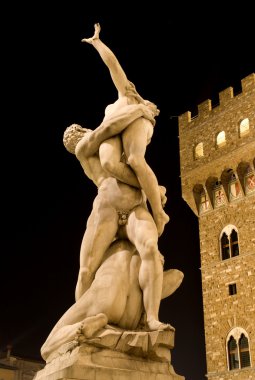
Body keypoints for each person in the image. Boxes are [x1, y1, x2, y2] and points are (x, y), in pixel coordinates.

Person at [63, 121, 170, 332]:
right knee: (86, 271)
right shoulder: (86, 150)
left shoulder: (120, 142)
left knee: (150, 248)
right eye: (75, 139)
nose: (80, 138)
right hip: (106, 209)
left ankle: (151, 318)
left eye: (78, 134)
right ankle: (80, 321)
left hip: (135, 208)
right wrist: (151, 187)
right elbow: (109, 126)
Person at [81, 23, 169, 237]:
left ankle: (158, 213)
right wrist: (97, 42)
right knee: (109, 163)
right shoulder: (124, 96)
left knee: (135, 160)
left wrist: (98, 43)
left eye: (154, 110)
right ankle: (153, 191)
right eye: (153, 107)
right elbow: (114, 66)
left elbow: (114, 67)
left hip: (134, 124)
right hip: (113, 132)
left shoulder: (133, 104)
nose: (155, 109)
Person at [41, 239, 184, 362]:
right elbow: (177, 276)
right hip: (134, 308)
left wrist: (82, 298)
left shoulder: (115, 237)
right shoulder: (149, 244)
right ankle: (145, 320)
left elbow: (85, 272)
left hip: (107, 292)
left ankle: (84, 326)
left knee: (46, 348)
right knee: (177, 275)